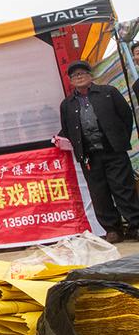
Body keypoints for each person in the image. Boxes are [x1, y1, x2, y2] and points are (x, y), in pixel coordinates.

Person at [57, 60, 139, 243]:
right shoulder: (67, 104)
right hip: (89, 156)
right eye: (75, 75)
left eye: (82, 73)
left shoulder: (108, 93)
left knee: (123, 189)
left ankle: (136, 225)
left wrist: (119, 140)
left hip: (114, 151)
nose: (79, 77)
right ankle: (112, 229)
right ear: (71, 81)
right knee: (99, 193)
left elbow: (125, 116)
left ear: (90, 76)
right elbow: (68, 129)